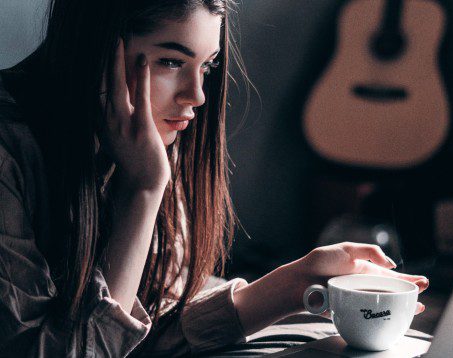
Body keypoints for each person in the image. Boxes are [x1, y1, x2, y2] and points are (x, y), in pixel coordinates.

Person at [0, 0, 429, 356]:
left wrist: (294, 282)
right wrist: (145, 191)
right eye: (171, 61)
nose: (197, 95)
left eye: (207, 65)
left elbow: (143, 332)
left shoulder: (141, 143)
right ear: (92, 50)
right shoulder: (11, 154)